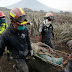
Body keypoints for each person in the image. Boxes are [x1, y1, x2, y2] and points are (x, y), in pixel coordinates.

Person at [0, 8, 33, 72]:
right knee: (25, 70)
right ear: (12, 21)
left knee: (29, 62)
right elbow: (0, 49)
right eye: (19, 25)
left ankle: (17, 66)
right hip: (17, 56)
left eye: (23, 24)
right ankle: (17, 67)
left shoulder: (25, 29)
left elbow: (27, 39)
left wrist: (30, 48)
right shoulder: (5, 35)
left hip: (25, 51)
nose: (22, 26)